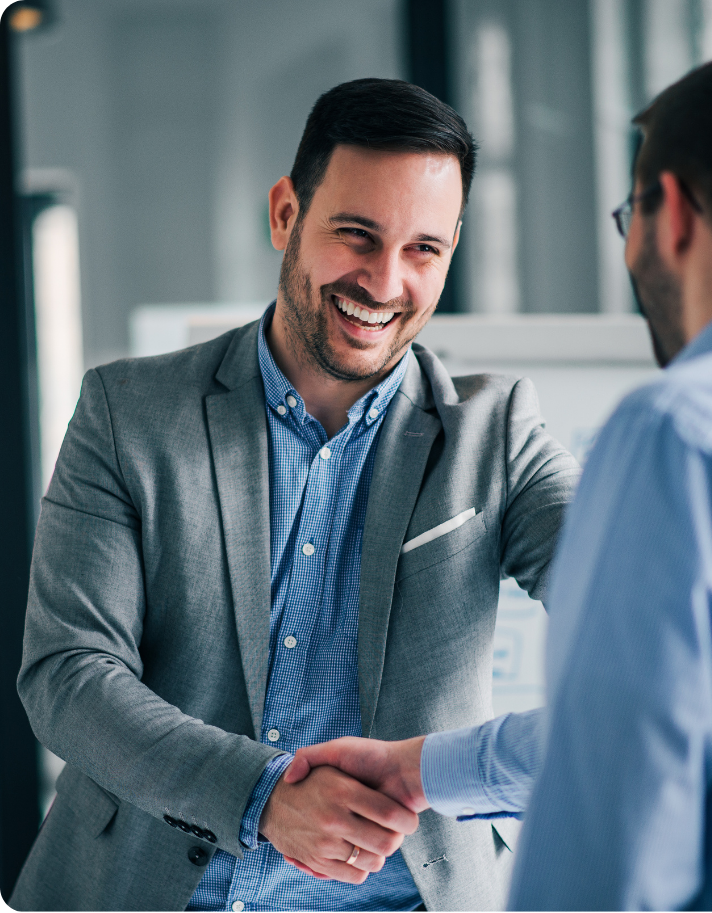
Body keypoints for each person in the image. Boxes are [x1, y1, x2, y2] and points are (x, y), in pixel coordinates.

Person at [283, 46, 712, 911]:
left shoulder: (684, 432)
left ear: (674, 217)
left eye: (629, 216)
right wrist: (420, 768)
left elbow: (611, 802)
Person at [10, 78, 579, 913]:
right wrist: (263, 795)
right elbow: (67, 674)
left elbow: (641, 628)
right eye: (356, 234)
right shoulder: (127, 413)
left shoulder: (497, 436)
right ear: (285, 214)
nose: (385, 282)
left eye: (424, 250)